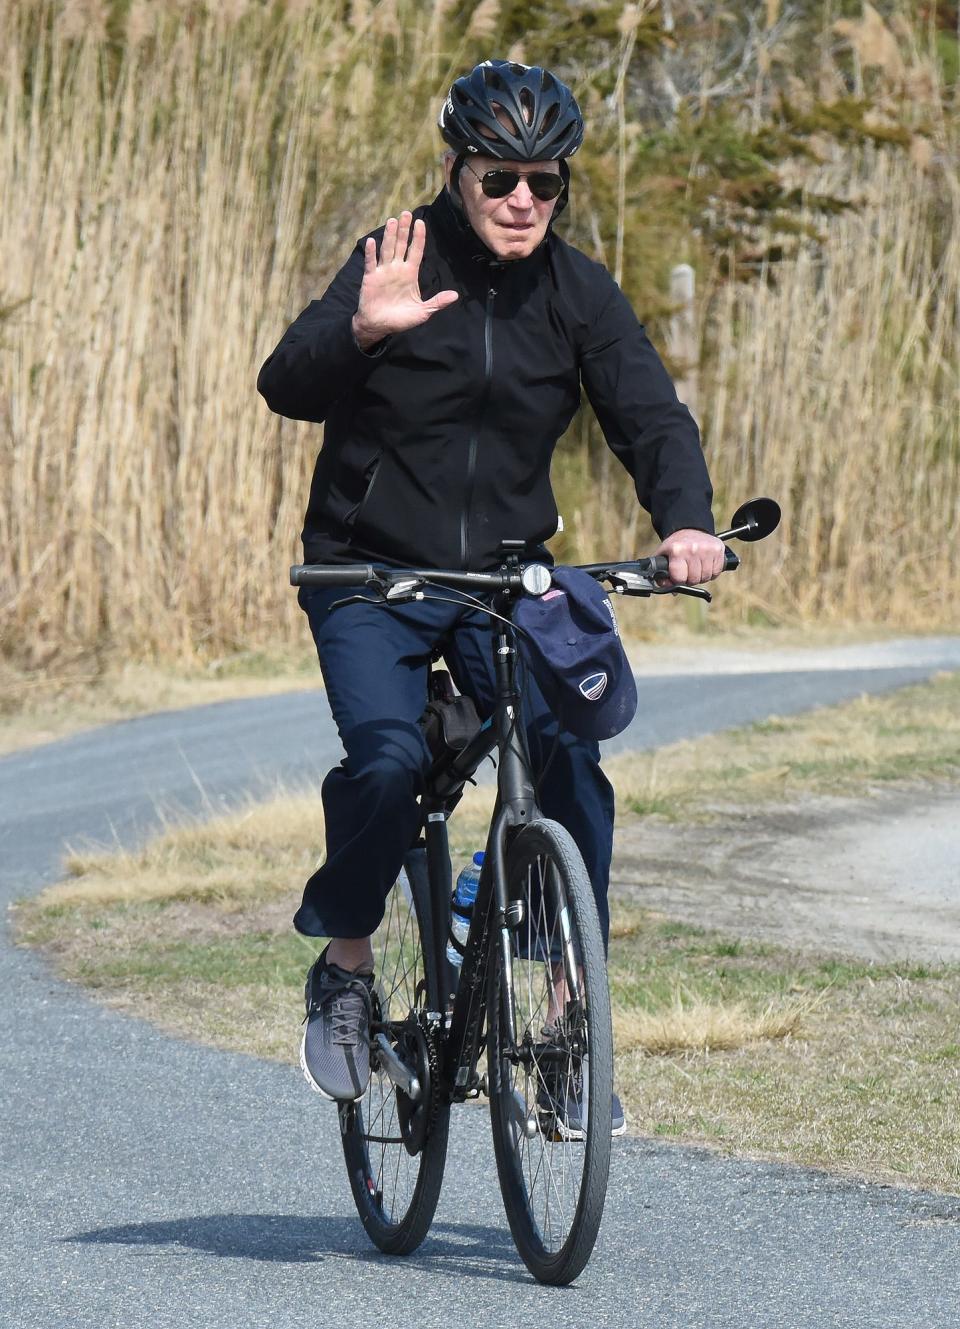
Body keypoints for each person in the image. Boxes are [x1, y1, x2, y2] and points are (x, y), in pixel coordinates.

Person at [257, 59, 725, 1129]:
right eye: (499, 178)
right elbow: (287, 382)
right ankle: (345, 966)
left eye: (544, 183)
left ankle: (565, 1021)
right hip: (366, 574)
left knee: (568, 758)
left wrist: (685, 523)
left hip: (504, 579)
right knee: (387, 763)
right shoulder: (395, 257)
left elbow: (651, 417)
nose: (522, 201)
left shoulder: (577, 292)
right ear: (457, 170)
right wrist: (363, 329)